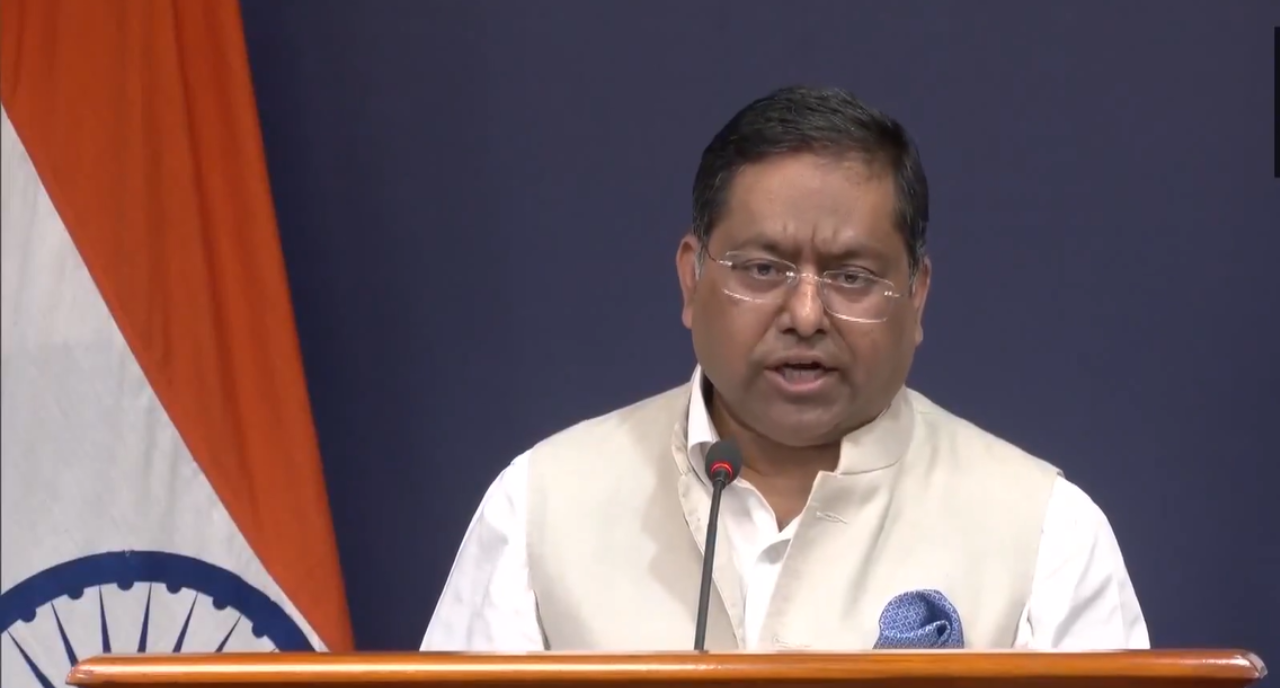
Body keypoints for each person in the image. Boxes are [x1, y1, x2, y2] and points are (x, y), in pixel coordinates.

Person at [420, 86, 1149, 652]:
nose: (804, 314)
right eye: (763, 269)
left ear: (917, 295)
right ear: (691, 278)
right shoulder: (539, 506)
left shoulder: (1046, 533)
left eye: (852, 277)